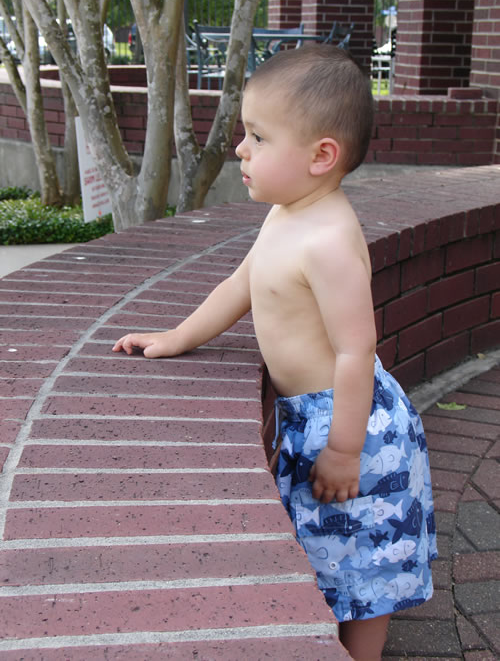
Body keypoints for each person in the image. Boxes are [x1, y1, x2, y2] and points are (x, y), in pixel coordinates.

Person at [113, 45, 437, 660]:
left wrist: (344, 450)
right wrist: (177, 337)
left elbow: (355, 349)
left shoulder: (328, 241)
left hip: (354, 426)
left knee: (367, 565)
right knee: (329, 552)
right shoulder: (287, 215)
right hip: (312, 417)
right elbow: (241, 284)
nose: (241, 149)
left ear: (321, 156)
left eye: (259, 137)